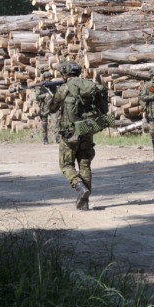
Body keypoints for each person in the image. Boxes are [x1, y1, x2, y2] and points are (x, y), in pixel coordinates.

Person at [48, 61, 109, 210]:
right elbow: (103, 109)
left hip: (70, 134)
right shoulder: (90, 86)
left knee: (66, 165)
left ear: (65, 73)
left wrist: (52, 93)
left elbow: (51, 108)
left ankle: (80, 188)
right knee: (85, 164)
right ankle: (84, 203)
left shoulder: (64, 88)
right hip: (87, 130)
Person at [35, 71, 56, 145]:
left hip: (53, 106)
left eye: (49, 77)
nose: (48, 79)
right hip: (44, 107)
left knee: (56, 122)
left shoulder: (53, 85)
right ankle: (45, 140)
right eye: (47, 78)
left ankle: (58, 139)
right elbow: (37, 97)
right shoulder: (41, 87)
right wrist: (45, 95)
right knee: (44, 124)